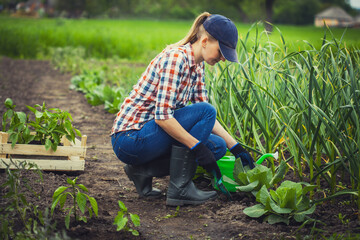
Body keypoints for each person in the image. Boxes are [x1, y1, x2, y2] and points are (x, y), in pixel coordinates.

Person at [111, 12, 255, 206]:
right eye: (221, 52)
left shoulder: (197, 65)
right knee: (206, 115)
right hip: (130, 138)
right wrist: (196, 147)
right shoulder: (176, 59)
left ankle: (141, 171)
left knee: (217, 146)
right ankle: (180, 188)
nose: (222, 59)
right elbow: (163, 117)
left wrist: (236, 148)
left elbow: (206, 119)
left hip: (150, 135)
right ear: (204, 41)